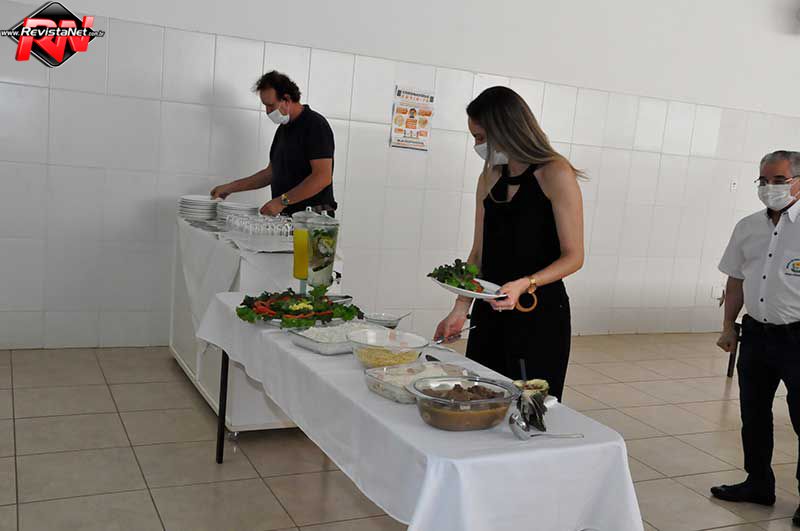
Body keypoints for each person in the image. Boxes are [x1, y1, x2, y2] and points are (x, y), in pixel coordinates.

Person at [433, 86, 584, 400]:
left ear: (506, 130)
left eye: (480, 137)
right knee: (481, 398)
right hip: (491, 311)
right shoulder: (489, 177)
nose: (477, 146)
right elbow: (478, 253)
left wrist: (526, 283)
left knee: (529, 405)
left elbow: (574, 257)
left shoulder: (555, 173)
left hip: (538, 313)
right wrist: (460, 308)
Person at [712, 150, 800, 523]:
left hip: (797, 338)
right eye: (763, 180)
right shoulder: (747, 226)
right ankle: (758, 483)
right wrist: (728, 326)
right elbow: (735, 280)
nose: (769, 187)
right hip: (756, 335)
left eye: (779, 180)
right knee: (754, 413)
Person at [210, 71, 336, 216]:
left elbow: (322, 177)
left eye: (270, 106)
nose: (268, 111)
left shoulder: (315, 125)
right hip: (288, 217)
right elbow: (271, 173)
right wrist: (229, 188)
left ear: (286, 99)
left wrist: (281, 202)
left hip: (313, 219)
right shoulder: (283, 129)